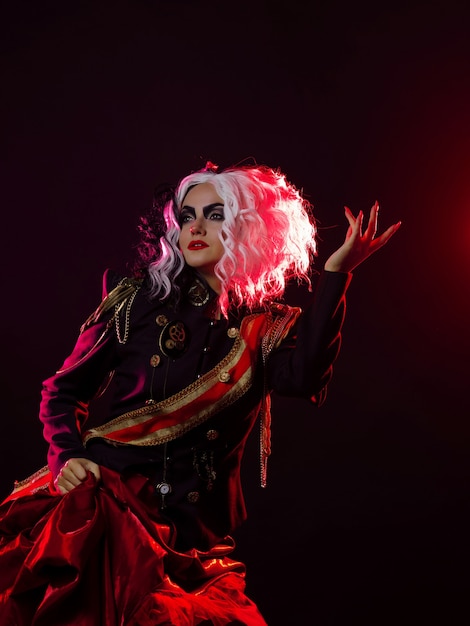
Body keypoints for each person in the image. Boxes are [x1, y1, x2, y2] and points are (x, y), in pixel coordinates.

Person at [0, 161, 400, 625]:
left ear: (248, 226)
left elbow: (305, 378)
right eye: (187, 216)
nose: (195, 227)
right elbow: (62, 392)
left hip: (197, 541)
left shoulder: (265, 327)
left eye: (214, 214)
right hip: (110, 517)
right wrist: (67, 457)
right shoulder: (138, 299)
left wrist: (336, 274)